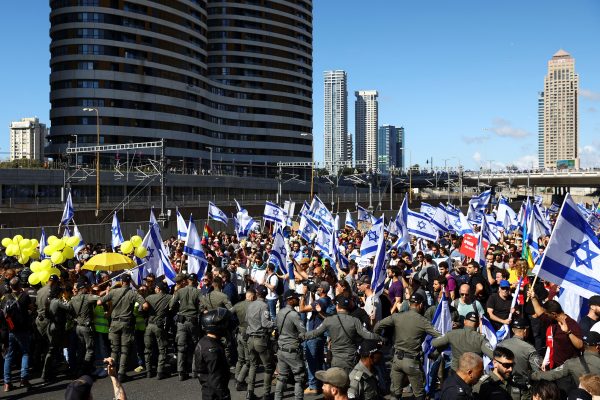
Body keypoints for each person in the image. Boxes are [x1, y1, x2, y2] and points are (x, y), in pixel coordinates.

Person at [373, 293, 441, 400]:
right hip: (412, 362)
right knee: (419, 395)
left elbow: (378, 325)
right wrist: (435, 353)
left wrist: (380, 340)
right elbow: (441, 338)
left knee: (395, 394)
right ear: (421, 304)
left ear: (410, 304)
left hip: (396, 360)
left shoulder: (398, 316)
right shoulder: (422, 321)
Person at [301, 294, 383, 374]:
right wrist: (380, 338)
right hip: (350, 358)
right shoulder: (355, 321)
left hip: (336, 359)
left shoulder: (329, 320)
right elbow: (367, 334)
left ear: (337, 306)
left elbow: (315, 333)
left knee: (337, 383)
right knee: (349, 383)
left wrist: (301, 336)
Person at [98, 274, 145, 382]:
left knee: (114, 349)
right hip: (126, 324)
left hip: (114, 324)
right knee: (124, 350)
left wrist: (109, 293)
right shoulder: (133, 293)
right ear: (129, 282)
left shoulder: (114, 292)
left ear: (122, 282)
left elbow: (99, 302)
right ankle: (121, 374)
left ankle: (112, 372)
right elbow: (145, 305)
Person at [528, 291, 584, 368]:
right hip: (554, 366)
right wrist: (533, 298)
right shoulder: (553, 320)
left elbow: (580, 345)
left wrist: (568, 332)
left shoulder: (572, 324)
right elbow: (539, 312)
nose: (546, 315)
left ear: (554, 314)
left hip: (567, 369)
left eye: (547, 314)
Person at [531, 332, 600, 391]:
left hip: (583, 396)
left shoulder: (572, 363)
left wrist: (533, 375)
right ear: (597, 347)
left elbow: (552, 374)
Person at [1, 277, 32, 392]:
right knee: (25, 353)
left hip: (10, 329)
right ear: (20, 286)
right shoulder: (25, 296)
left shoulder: (5, 298)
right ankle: (24, 379)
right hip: (23, 329)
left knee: (9, 356)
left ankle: (7, 383)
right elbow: (31, 309)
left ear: (10, 286)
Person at [274, 289, 306, 400]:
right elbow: (303, 332)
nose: (298, 299)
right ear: (290, 300)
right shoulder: (294, 315)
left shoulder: (280, 312)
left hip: (281, 349)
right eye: (296, 298)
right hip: (292, 351)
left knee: (281, 377)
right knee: (299, 378)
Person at [194, 308, 232, 400]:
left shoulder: (205, 341)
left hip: (209, 391)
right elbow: (215, 377)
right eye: (223, 324)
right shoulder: (212, 349)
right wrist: (224, 396)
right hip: (215, 394)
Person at [245, 284, 275, 400]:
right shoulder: (264, 306)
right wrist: (275, 323)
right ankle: (266, 394)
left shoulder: (250, 305)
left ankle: (249, 392)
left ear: (257, 294)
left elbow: (246, 319)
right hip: (260, 339)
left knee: (253, 365)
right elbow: (265, 323)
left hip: (250, 338)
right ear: (265, 294)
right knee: (268, 367)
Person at [169, 272, 201, 381]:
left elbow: (171, 305)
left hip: (181, 322)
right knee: (195, 346)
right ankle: (195, 371)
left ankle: (181, 372)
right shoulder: (198, 292)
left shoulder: (180, 291)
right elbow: (203, 305)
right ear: (196, 281)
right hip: (192, 322)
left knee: (181, 348)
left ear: (187, 281)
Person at [500, 318, 542, 400]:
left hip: (504, 387)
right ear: (525, 331)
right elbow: (537, 371)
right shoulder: (529, 348)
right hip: (523, 389)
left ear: (512, 330)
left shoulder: (501, 344)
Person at [69, 276, 100, 376]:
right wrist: (94, 291)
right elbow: (99, 299)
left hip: (78, 327)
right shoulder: (87, 297)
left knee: (81, 349)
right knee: (90, 349)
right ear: (83, 288)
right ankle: (85, 369)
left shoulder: (73, 299)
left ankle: (78, 368)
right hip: (86, 327)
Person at [142, 280, 172, 380]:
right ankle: (160, 372)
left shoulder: (149, 297)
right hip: (159, 326)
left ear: (158, 289)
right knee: (162, 349)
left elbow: (141, 309)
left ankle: (149, 372)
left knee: (147, 349)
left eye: (155, 287)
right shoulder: (169, 297)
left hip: (149, 326)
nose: (154, 289)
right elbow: (173, 308)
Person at [43, 281, 71, 383]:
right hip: (56, 327)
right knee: (53, 350)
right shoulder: (57, 301)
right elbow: (69, 307)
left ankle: (47, 372)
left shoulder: (48, 300)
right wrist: (65, 299)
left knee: (51, 350)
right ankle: (48, 372)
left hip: (50, 326)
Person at [231, 288, 255, 391]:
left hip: (239, 333)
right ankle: (240, 381)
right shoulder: (253, 306)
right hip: (247, 335)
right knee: (248, 360)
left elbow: (229, 314)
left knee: (240, 359)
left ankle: (237, 378)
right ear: (252, 296)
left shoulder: (238, 305)